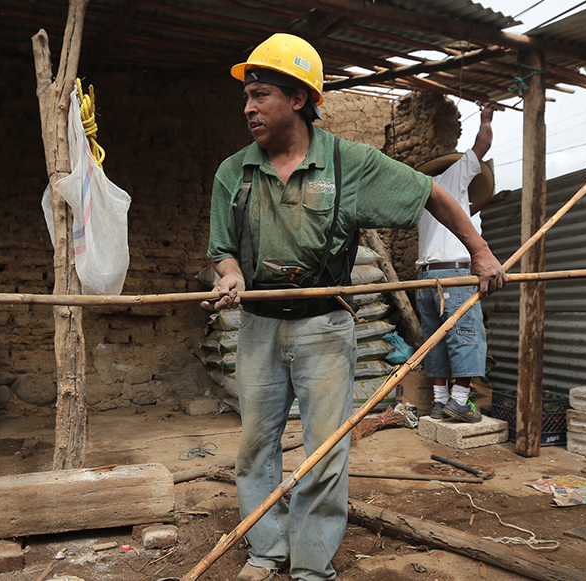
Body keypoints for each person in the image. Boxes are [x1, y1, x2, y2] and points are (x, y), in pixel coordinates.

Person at [201, 33, 507, 581]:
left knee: (324, 450)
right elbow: (223, 252)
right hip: (258, 328)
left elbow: (434, 194)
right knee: (254, 447)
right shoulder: (235, 173)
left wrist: (480, 253)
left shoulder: (349, 164)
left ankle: (312, 566)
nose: (248, 106)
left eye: (262, 93)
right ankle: (265, 550)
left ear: (298, 99)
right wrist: (230, 277)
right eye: (246, 95)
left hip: (324, 328)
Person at [415, 104, 508, 423]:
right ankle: (459, 401)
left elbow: (463, 212)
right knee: (467, 337)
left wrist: (491, 202)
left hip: (426, 282)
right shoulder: (453, 176)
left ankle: (440, 402)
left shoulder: (427, 194)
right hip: (453, 278)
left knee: (437, 340)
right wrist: (486, 120)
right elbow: (482, 145)